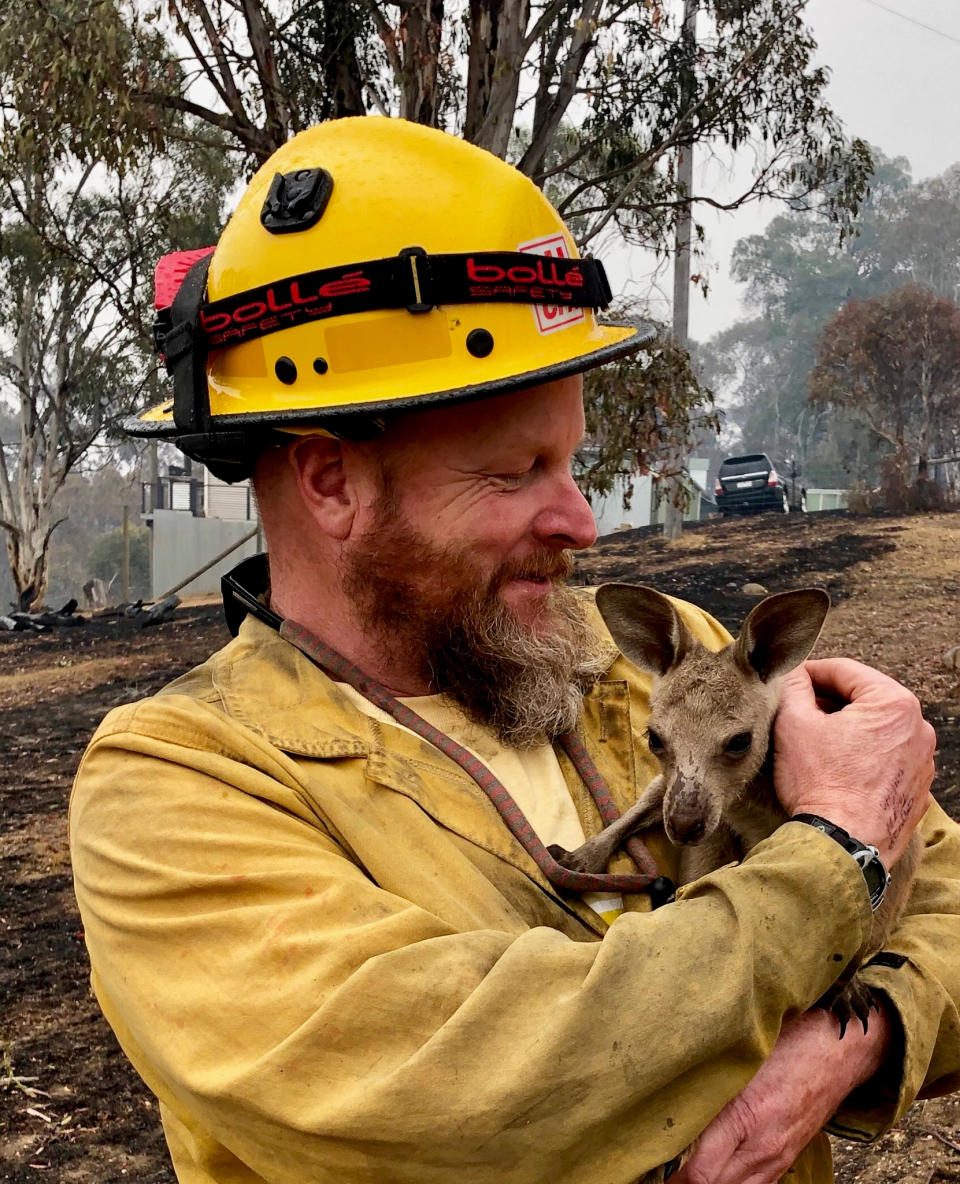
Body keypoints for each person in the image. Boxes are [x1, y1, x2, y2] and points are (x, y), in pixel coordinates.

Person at [70, 117, 958, 1184]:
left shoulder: (667, 666)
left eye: (572, 460)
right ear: (330, 480)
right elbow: (451, 1090)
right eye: (516, 469)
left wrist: (844, 1041)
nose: (581, 520)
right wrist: (841, 854)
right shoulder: (176, 790)